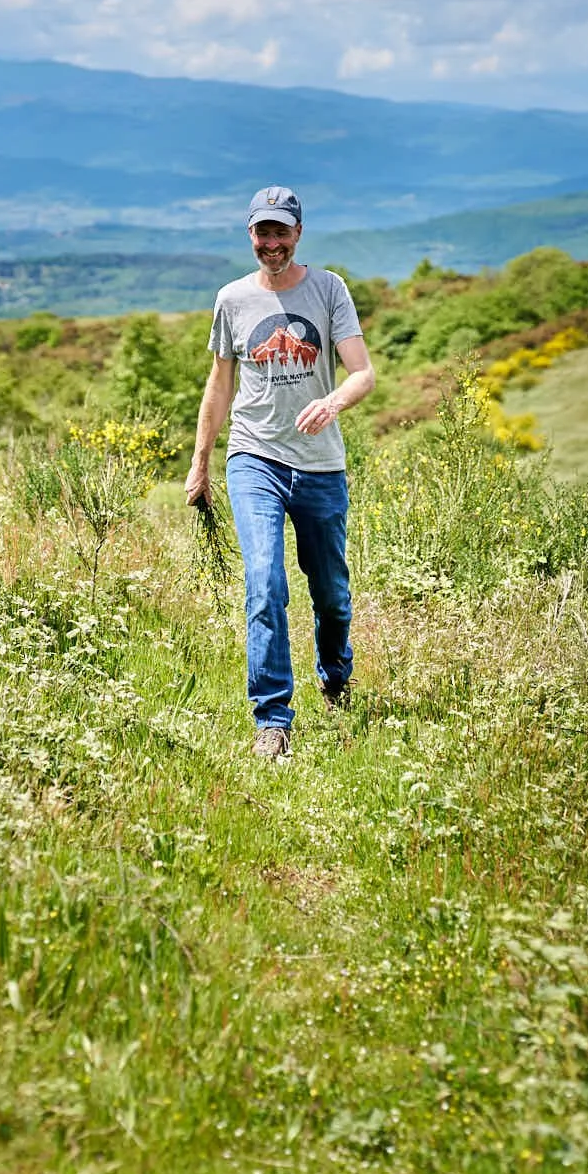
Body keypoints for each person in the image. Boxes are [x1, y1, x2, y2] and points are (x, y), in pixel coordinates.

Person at [184, 186, 376, 759]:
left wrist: (335, 402)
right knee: (265, 584)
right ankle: (273, 719)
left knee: (332, 594)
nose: (271, 243)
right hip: (254, 456)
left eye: (281, 232)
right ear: (250, 234)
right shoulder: (232, 299)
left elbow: (363, 373)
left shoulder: (329, 288)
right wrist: (201, 464)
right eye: (262, 233)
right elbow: (219, 385)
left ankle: (336, 677)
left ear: (298, 233)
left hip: (320, 464)